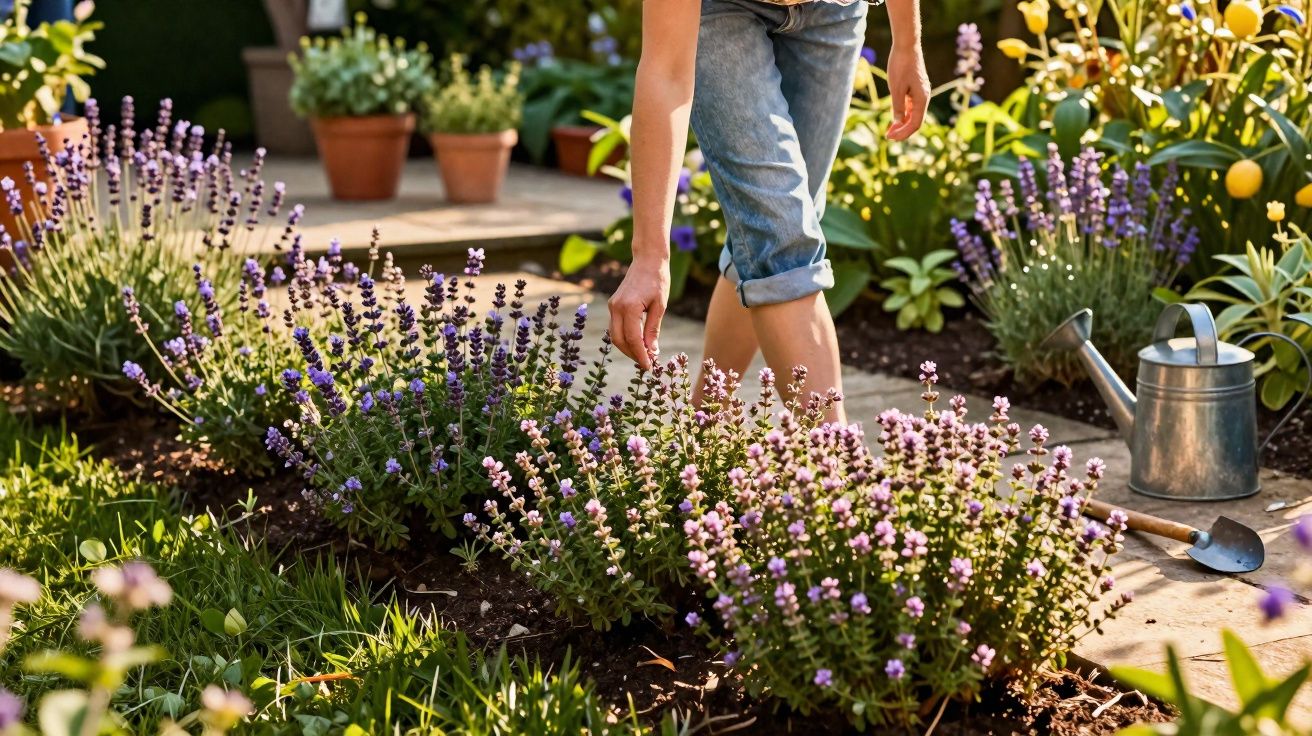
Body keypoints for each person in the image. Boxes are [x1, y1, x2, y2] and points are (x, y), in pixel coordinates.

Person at [606, 0, 929, 423]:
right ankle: (839, 461)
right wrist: (650, 255)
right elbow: (665, 73)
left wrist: (907, 41)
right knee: (782, 238)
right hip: (720, 11)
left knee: (774, 225)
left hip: (834, 13)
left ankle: (705, 429)